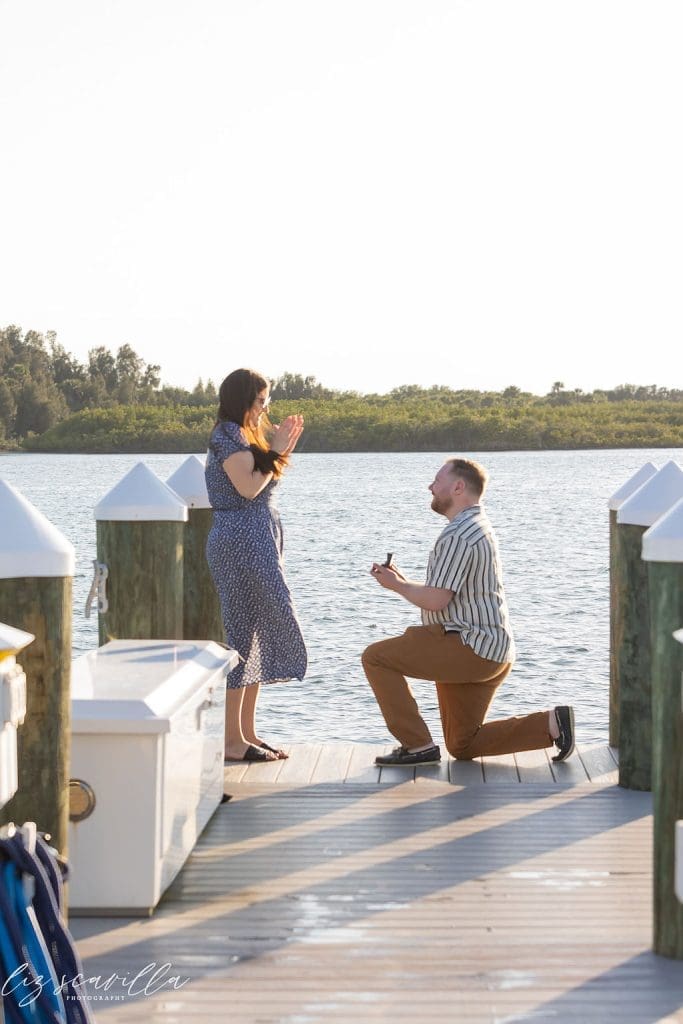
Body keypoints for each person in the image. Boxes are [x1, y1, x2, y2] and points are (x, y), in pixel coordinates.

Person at [362, 457, 575, 767]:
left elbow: (437, 600)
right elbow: (445, 593)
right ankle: (552, 724)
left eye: (437, 481)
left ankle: (417, 745)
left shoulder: (458, 535)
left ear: (458, 487)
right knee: (462, 744)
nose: (430, 487)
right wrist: (403, 582)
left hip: (469, 647)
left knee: (375, 658)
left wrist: (396, 585)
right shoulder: (477, 527)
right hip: (493, 650)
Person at [205, 367, 307, 763]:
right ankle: (232, 740)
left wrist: (279, 448)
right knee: (241, 635)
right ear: (243, 400)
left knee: (258, 632)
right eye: (261, 401)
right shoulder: (227, 436)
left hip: (259, 538)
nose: (265, 409)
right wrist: (276, 450)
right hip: (238, 541)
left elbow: (263, 480)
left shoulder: (247, 436)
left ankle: (246, 732)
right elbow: (248, 488)